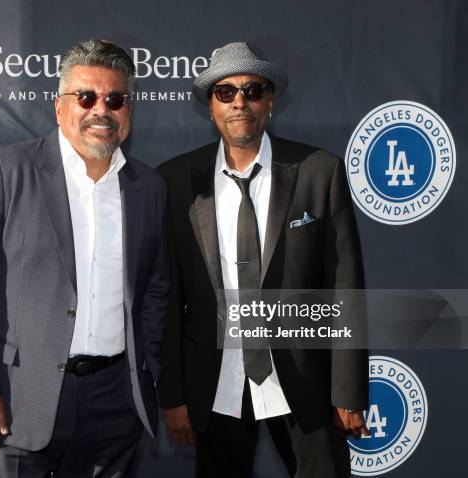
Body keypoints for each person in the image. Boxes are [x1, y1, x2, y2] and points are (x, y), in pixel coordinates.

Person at [0, 39, 169, 478]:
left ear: (129, 109)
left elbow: (156, 288)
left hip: (117, 404)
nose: (100, 110)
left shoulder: (149, 186)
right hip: (19, 400)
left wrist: (148, 369)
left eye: (115, 99)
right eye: (85, 97)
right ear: (59, 106)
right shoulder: (8, 171)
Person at [157, 41, 369, 478]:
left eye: (253, 90)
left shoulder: (318, 171)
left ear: (270, 101)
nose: (240, 101)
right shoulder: (176, 180)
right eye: (226, 92)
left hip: (305, 382)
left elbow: (345, 286)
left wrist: (347, 390)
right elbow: (169, 297)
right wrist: (173, 395)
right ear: (211, 107)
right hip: (216, 383)